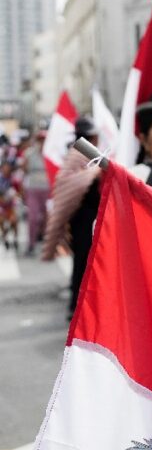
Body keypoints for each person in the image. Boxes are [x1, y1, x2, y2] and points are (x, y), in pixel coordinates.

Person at [41, 118, 103, 318]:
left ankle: (82, 304)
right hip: (83, 217)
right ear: (91, 137)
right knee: (82, 262)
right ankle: (76, 305)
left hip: (85, 216)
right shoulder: (81, 154)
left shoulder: (81, 154)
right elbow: (73, 183)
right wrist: (96, 171)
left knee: (86, 263)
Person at [20, 132, 50, 256]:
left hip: (47, 189)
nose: (42, 143)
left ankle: (47, 245)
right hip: (33, 188)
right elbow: (23, 168)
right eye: (40, 140)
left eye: (43, 140)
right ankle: (31, 245)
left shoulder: (50, 153)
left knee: (47, 219)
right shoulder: (30, 153)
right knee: (32, 217)